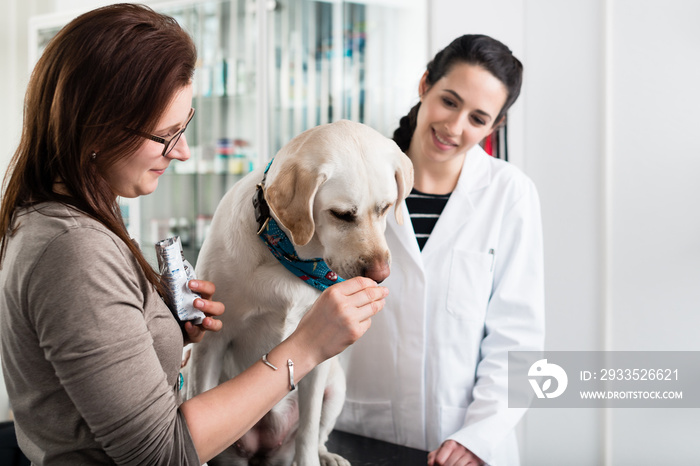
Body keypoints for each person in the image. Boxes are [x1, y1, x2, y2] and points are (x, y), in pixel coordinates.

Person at [0, 4, 387, 465]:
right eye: (166, 134)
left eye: (185, 127)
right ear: (95, 128)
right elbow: (163, 455)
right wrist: (306, 348)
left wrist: (151, 322)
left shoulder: (60, 220)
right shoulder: (74, 250)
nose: (181, 151)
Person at [335, 34, 545, 466]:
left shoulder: (509, 194)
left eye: (477, 117)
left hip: (467, 445)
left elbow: (517, 338)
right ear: (425, 84)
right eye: (449, 101)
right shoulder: (359, 179)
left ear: (494, 126)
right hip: (359, 433)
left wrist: (479, 437)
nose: (454, 126)